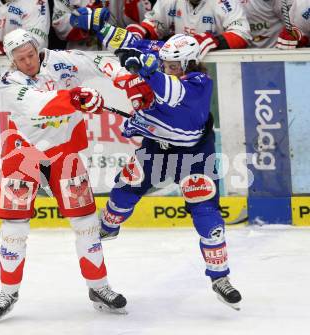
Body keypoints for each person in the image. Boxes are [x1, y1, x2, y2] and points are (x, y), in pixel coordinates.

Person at [92, 31, 242, 310]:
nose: (167, 69)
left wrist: (146, 72)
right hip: (156, 148)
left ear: (188, 64)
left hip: (194, 155)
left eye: (173, 67)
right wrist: (103, 27)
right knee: (125, 190)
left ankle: (220, 278)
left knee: (208, 216)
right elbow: (135, 44)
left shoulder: (199, 83)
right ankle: (109, 227)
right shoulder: (166, 56)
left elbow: (171, 92)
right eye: (164, 66)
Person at [0, 28, 127, 323]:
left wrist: (121, 76)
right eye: (20, 59)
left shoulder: (63, 60)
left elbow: (101, 61)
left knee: (87, 222)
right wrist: (77, 97)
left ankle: (99, 287)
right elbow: (39, 106)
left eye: (30, 55)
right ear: (11, 61)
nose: (27, 62)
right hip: (23, 152)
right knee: (14, 226)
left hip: (63, 151)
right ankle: (7, 291)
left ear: (37, 49)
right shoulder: (8, 82)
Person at [124, 0, 252, 58]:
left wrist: (214, 41)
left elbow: (242, 34)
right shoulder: (169, 2)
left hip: (215, 63)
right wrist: (140, 32)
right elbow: (154, 24)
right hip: (178, 63)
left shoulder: (225, 3)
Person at [52, 0, 155, 50]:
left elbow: (145, 21)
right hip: (81, 56)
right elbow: (60, 26)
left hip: (119, 53)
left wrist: (132, 4)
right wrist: (80, 21)